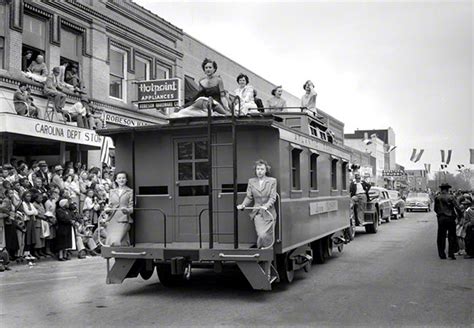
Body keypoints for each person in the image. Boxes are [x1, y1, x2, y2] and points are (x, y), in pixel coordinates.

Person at [237, 160, 277, 249]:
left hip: (269, 214)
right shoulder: (251, 181)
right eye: (258, 169)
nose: (259, 171)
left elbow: (273, 197)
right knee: (261, 235)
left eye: (262, 169)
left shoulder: (272, 181)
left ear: (266, 170)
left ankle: (266, 255)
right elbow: (249, 197)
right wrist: (243, 205)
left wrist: (266, 206)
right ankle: (261, 253)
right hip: (258, 214)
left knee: (267, 237)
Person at [104, 172, 133, 246]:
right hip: (112, 218)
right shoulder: (112, 191)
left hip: (124, 218)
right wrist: (107, 210)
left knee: (116, 240)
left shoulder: (130, 191)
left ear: (126, 180)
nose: (121, 180)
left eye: (123, 178)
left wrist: (127, 210)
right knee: (111, 240)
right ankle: (121, 255)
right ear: (116, 180)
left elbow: (132, 207)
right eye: (119, 178)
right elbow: (110, 205)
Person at [434, 183, 458, 260]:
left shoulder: (437, 197)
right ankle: (451, 253)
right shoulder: (451, 197)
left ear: (441, 189)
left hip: (441, 218)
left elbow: (435, 209)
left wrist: (439, 214)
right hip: (450, 217)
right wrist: (460, 215)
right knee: (452, 235)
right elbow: (457, 207)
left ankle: (442, 254)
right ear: (448, 189)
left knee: (441, 236)